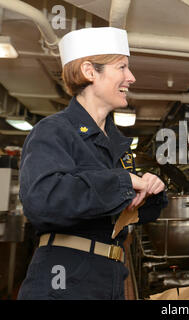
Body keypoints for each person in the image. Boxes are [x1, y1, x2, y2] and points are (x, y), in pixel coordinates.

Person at [17, 27, 167, 300]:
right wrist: (122, 182)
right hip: (64, 278)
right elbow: (42, 200)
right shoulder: (54, 130)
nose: (131, 78)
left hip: (108, 276)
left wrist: (150, 191)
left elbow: (128, 212)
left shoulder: (118, 145)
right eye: (122, 67)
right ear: (89, 71)